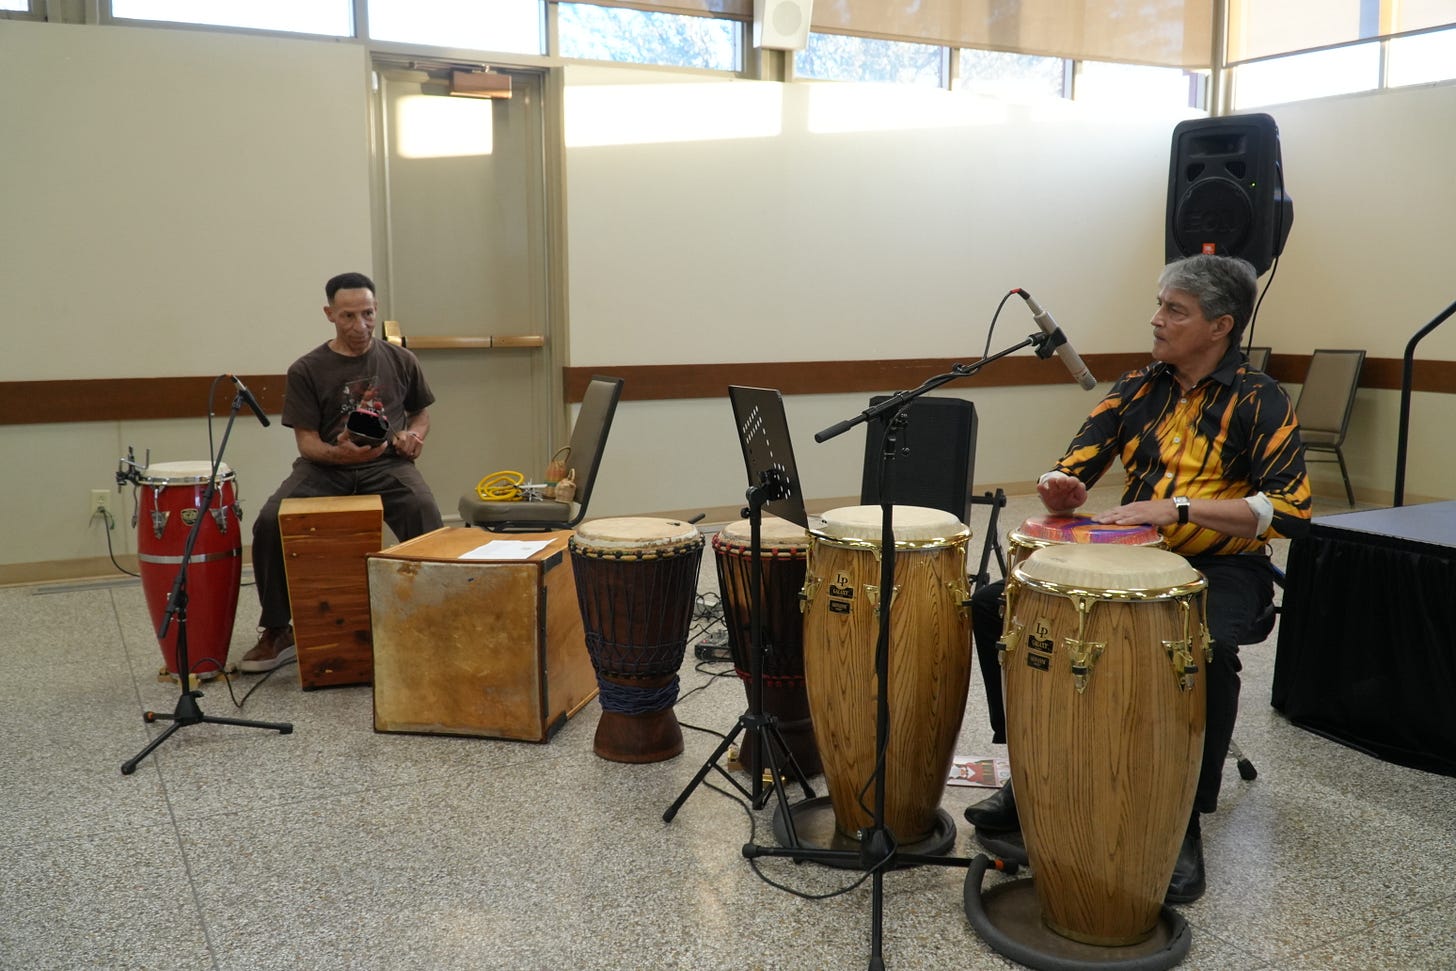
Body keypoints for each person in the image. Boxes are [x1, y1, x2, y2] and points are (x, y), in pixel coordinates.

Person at [964, 254, 1312, 904]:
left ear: (1220, 326)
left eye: (1175, 310)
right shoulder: (1136, 387)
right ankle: (1029, 771)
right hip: (1130, 558)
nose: (1156, 319)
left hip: (1221, 566)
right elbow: (1073, 465)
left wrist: (1176, 508)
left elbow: (1289, 510)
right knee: (991, 606)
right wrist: (1060, 486)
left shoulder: (1260, 398)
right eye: (1159, 304)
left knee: (1207, 648)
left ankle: (1181, 821)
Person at [239, 272, 443, 672]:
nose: (360, 325)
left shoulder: (401, 360)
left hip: (387, 463)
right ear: (329, 314)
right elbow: (307, 443)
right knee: (270, 521)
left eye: (367, 314)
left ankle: (436, 615)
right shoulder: (306, 369)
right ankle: (277, 629)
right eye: (348, 316)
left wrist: (415, 436)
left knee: (423, 511)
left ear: (376, 309)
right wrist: (340, 455)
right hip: (326, 467)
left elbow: (420, 414)